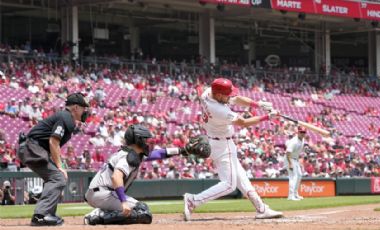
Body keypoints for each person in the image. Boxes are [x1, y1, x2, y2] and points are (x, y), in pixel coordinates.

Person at [183, 77, 282, 221]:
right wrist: (267, 117)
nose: (229, 96)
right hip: (222, 145)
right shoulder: (219, 109)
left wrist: (258, 104)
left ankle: (262, 209)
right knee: (229, 185)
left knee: (242, 178)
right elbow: (243, 123)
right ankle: (193, 200)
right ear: (218, 95)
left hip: (216, 141)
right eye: (226, 94)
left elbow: (236, 99)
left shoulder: (208, 93)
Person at [84, 124, 210, 225]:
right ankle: (98, 216)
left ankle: (102, 212)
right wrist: (123, 202)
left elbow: (159, 154)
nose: (147, 142)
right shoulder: (128, 156)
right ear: (138, 140)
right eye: (145, 139)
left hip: (99, 193)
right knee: (143, 211)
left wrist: (183, 150)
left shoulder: (132, 153)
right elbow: (116, 177)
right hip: (103, 194)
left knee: (141, 212)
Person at [17, 93, 90, 226]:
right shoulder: (66, 117)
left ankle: (48, 213)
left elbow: (52, 144)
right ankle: (41, 215)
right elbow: (53, 142)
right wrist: (60, 166)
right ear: (75, 107)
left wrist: (58, 164)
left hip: (32, 148)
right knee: (58, 177)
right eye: (83, 108)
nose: (85, 111)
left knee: (55, 177)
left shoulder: (66, 117)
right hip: (32, 148)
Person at [285, 126, 307, 201]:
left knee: (299, 175)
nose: (302, 133)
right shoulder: (294, 141)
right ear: (298, 132)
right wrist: (290, 163)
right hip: (289, 158)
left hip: (295, 159)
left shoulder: (303, 140)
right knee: (293, 176)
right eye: (301, 132)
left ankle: (295, 193)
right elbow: (287, 153)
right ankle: (290, 196)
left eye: (304, 132)